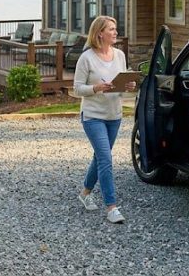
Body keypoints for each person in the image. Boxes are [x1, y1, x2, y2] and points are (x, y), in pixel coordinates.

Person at [73, 15, 136, 224]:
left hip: (114, 115)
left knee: (100, 158)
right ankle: (111, 207)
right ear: (100, 33)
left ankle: (84, 193)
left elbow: (122, 81)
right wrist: (96, 88)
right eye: (111, 29)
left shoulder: (119, 55)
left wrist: (128, 86)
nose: (115, 32)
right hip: (93, 116)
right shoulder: (87, 58)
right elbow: (77, 88)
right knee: (106, 159)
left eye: (115, 28)